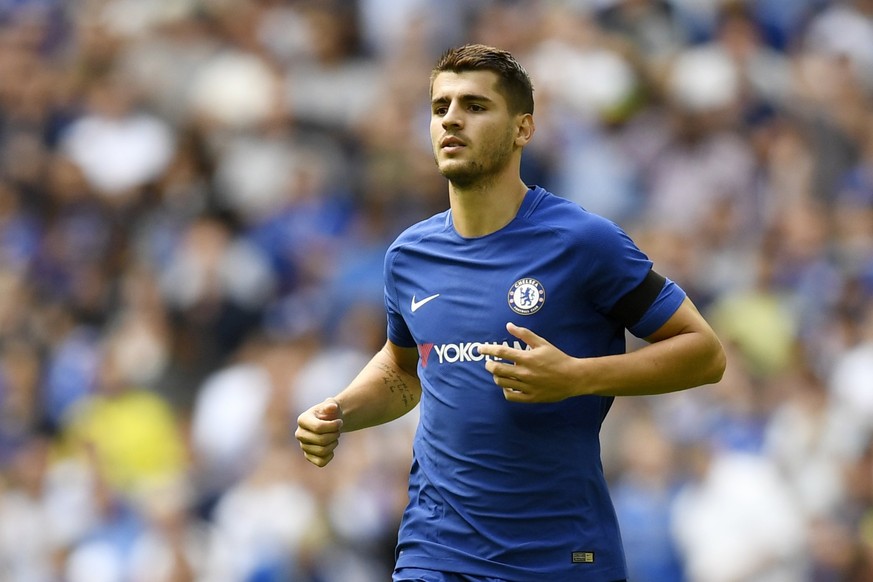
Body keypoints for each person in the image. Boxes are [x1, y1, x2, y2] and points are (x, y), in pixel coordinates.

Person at [295, 43, 726, 582]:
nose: (451, 118)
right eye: (440, 107)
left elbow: (704, 354)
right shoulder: (409, 255)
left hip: (561, 556)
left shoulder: (584, 242)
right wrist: (340, 411)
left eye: (475, 106)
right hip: (436, 551)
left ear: (523, 129)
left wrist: (576, 377)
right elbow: (404, 369)